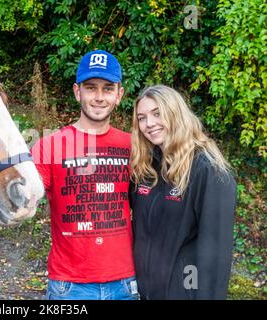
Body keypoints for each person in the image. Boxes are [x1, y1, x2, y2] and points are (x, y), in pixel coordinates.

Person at [31, 50, 138, 300]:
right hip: (69, 287)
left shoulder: (133, 146)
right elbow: (22, 197)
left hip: (124, 282)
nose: (99, 97)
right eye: (91, 88)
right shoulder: (49, 146)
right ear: (77, 92)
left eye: (107, 88)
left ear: (119, 95)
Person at [130, 84, 236, 300]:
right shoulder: (146, 168)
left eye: (157, 114)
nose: (149, 124)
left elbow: (215, 256)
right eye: (141, 118)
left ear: (175, 113)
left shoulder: (208, 170)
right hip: (143, 293)